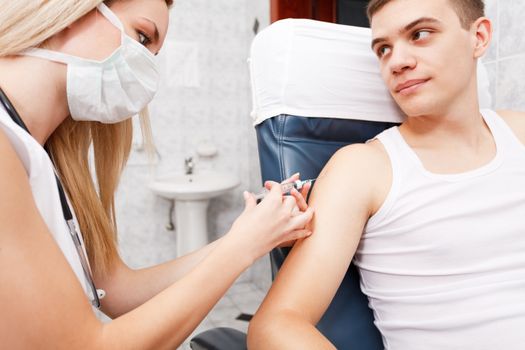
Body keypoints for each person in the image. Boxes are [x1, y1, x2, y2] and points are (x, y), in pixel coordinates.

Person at [0, 1, 314, 348]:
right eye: (143, 36)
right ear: (72, 12)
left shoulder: (42, 156)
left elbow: (119, 292)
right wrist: (243, 246)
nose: (146, 66)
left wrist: (254, 233)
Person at [248, 0, 525, 349]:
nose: (397, 62)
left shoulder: (520, 134)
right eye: (383, 49)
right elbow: (274, 326)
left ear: (479, 37)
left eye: (420, 34)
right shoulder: (364, 169)